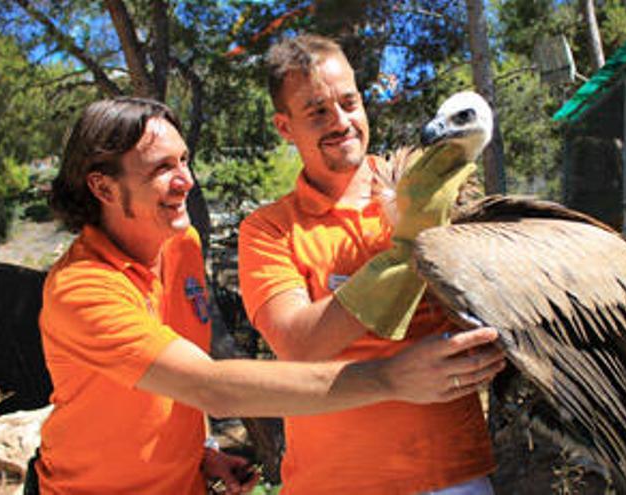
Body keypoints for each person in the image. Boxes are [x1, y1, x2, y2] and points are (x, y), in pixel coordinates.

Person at [33, 97, 505, 494]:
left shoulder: (179, 245)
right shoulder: (82, 290)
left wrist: (199, 452)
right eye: (162, 169)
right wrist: (389, 379)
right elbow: (208, 385)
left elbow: (160, 378)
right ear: (102, 187)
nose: (186, 181)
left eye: (183, 161)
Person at [238, 34, 498, 494]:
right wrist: (405, 254)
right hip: (334, 482)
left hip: (451, 474)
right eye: (317, 111)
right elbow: (299, 344)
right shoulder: (268, 229)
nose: (341, 121)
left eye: (349, 102)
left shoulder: (434, 191)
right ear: (284, 127)